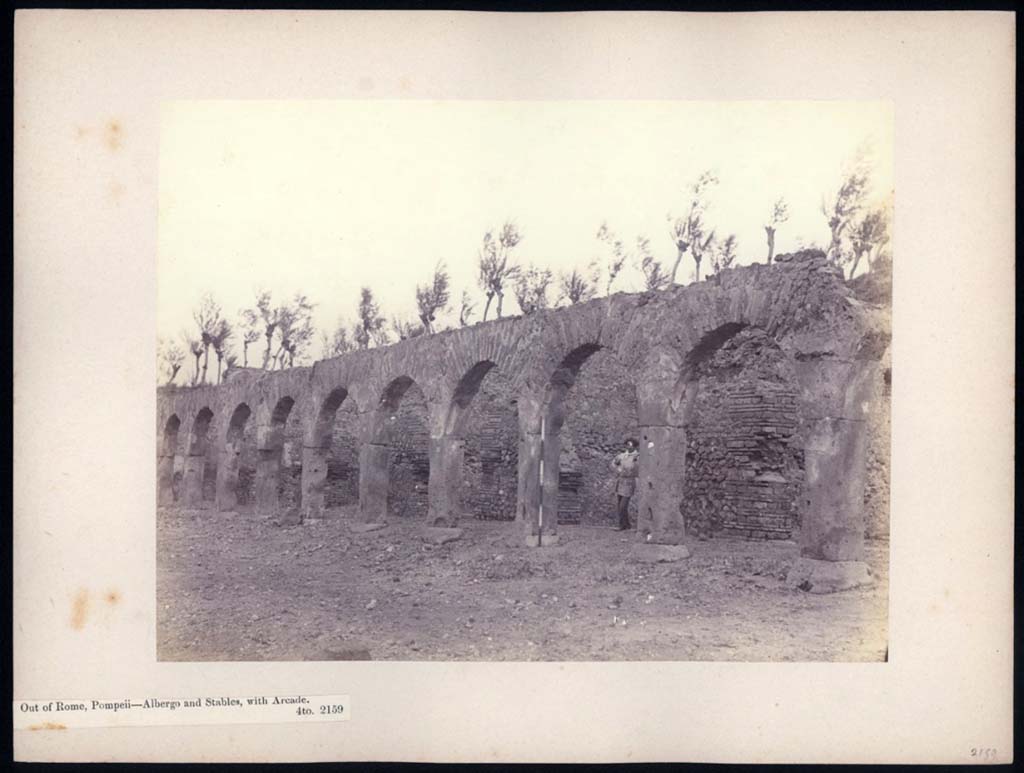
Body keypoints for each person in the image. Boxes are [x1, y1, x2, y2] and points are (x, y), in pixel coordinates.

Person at [610, 438, 640, 531]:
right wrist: (617, 469)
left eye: (630, 445)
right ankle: (625, 525)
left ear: (634, 446)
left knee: (623, 505)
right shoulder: (622, 456)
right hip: (621, 481)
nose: (628, 447)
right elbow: (613, 464)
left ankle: (622, 525)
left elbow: (638, 469)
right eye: (627, 445)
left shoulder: (637, 457)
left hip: (629, 481)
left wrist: (633, 467)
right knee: (620, 504)